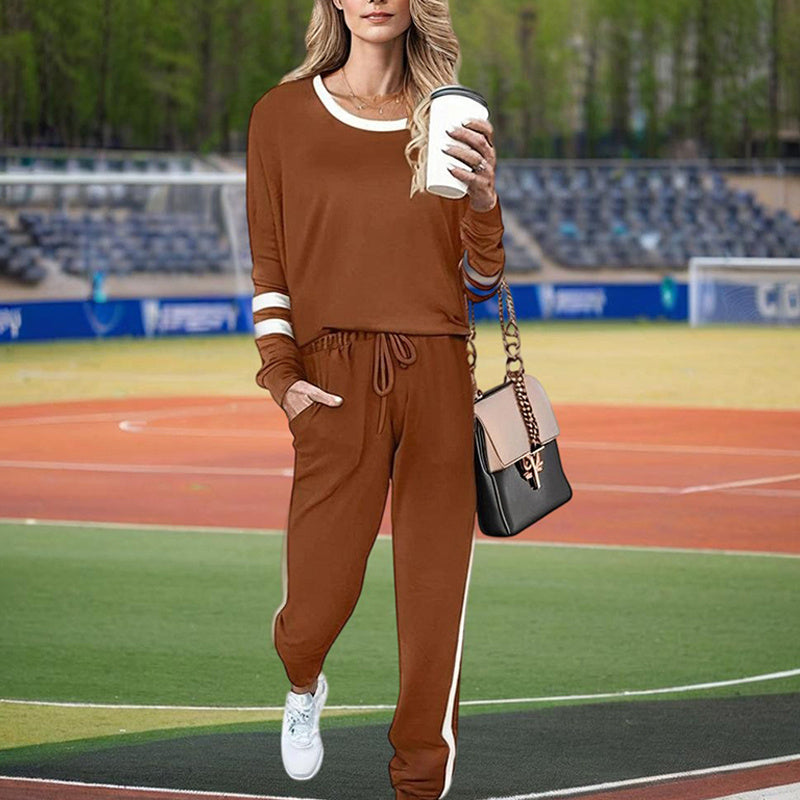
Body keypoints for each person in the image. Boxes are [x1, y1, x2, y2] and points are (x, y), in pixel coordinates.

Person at [245, 1, 505, 797]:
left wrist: (486, 200)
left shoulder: (452, 114)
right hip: (332, 385)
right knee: (317, 600)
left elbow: (482, 283)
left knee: (435, 602)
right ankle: (302, 682)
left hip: (438, 375)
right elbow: (270, 269)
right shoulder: (281, 115)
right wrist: (283, 379)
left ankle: (422, 780)